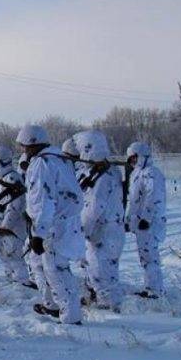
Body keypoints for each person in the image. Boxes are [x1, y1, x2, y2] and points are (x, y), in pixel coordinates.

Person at [17, 125, 85, 325]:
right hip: (60, 223)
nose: (23, 151)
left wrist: (38, 233)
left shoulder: (41, 164)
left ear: (31, 144)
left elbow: (42, 201)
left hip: (52, 226)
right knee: (39, 265)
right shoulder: (59, 159)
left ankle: (71, 315)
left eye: (24, 146)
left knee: (56, 269)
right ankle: (51, 304)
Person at [74, 130, 125, 310]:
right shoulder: (108, 170)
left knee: (101, 269)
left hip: (104, 231)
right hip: (109, 229)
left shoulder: (102, 177)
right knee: (103, 268)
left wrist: (81, 231)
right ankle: (100, 298)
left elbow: (94, 207)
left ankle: (108, 306)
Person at [125, 142, 167, 298]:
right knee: (145, 256)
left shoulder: (151, 173)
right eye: (131, 159)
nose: (132, 162)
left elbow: (153, 197)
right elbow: (135, 200)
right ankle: (150, 286)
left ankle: (155, 290)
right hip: (141, 223)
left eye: (134, 158)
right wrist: (130, 220)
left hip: (149, 223)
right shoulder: (137, 174)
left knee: (150, 256)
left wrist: (147, 218)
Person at [0, 146, 30, 285]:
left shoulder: (13, 178)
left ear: (1, 162)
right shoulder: (3, 179)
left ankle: (22, 282)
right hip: (2, 227)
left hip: (13, 228)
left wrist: (6, 226)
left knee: (14, 256)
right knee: (5, 256)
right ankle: (11, 280)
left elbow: (15, 206)